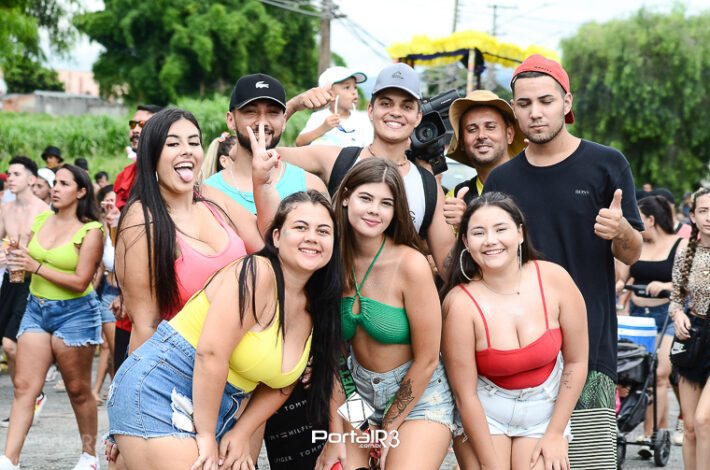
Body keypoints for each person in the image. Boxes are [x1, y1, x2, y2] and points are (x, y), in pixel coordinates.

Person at [483, 54, 643, 469]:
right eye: (524, 103)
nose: (535, 112)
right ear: (514, 110)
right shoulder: (501, 180)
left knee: (589, 462)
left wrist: (621, 231)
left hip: (589, 347)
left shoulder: (607, 164)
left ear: (566, 102)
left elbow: (632, 252)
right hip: (519, 352)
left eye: (546, 101)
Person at [107, 190, 343, 470]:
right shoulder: (257, 273)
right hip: (163, 384)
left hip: (223, 405)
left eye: (323, 231)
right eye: (301, 227)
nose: (312, 237)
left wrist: (242, 431)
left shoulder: (318, 304)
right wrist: (207, 434)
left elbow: (282, 384)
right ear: (277, 237)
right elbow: (211, 354)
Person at [317, 158, 454, 470]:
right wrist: (335, 434)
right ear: (346, 197)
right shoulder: (330, 261)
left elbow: (428, 360)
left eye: (386, 203)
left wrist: (389, 428)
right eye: (366, 198)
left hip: (417, 398)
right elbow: (335, 357)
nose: (374, 210)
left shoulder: (411, 264)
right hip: (358, 394)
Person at [441, 192, 588, 470]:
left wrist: (556, 433)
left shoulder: (555, 279)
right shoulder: (459, 303)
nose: (490, 240)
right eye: (478, 233)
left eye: (500, 229)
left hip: (544, 411)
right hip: (485, 411)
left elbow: (577, 361)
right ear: (466, 242)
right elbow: (465, 395)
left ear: (520, 233)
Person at [280, 63, 455, 274]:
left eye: (406, 107)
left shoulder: (427, 185)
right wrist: (294, 105)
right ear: (371, 110)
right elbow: (261, 154)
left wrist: (467, 225)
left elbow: (448, 267)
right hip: (332, 290)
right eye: (386, 103)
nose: (395, 112)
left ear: (418, 117)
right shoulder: (337, 159)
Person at [0, 164, 104, 470]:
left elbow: (81, 281)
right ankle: (9, 459)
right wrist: (14, 261)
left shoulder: (91, 231)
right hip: (37, 308)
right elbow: (28, 264)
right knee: (24, 386)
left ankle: (89, 455)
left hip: (76, 314)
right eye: (54, 182)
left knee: (78, 390)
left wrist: (35, 267)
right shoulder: (42, 219)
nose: (55, 188)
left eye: (64, 184)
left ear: (81, 192)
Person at [616, 195, 687, 456]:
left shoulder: (680, 245)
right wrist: (618, 286)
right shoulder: (636, 244)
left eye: (637, 218)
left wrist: (666, 285)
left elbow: (689, 283)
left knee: (659, 374)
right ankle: (650, 431)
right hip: (638, 317)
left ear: (650, 220)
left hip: (668, 314)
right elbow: (622, 276)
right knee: (639, 376)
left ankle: (652, 434)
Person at [205, 73, 326, 215]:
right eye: (250, 112)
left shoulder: (310, 186)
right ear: (231, 120)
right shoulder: (208, 193)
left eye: (272, 113)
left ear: (284, 121)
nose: (262, 123)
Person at [111, 103, 163, 378]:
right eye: (133, 124)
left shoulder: (170, 175)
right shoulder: (124, 176)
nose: (135, 130)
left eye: (143, 125)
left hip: (162, 300)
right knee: (124, 377)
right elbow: (120, 239)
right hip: (127, 299)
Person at [0, 156, 50, 429]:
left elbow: (48, 248)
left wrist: (24, 255)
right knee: (6, 344)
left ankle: (33, 393)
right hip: (10, 280)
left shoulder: (43, 210)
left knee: (11, 343)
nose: (11, 178)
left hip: (33, 282)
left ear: (31, 179)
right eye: (9, 174)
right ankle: (26, 396)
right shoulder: (5, 209)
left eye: (16, 174)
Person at [668, 187, 710, 470]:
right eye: (703, 211)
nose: (709, 217)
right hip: (692, 336)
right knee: (691, 428)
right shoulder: (685, 253)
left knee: (704, 420)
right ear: (692, 216)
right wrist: (677, 315)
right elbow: (675, 298)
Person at [442, 90, 525, 229]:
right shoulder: (456, 197)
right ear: (461, 142)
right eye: (472, 129)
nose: (481, 135)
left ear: (509, 134)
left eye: (490, 127)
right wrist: (462, 228)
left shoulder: (534, 183)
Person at [296, 66, 372, 147]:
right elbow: (299, 142)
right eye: (347, 87)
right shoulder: (319, 117)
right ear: (331, 95)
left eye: (355, 87)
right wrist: (323, 128)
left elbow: (371, 147)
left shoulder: (362, 119)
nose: (354, 92)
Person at [92, 185, 119, 404]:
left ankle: (114, 387)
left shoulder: (129, 226)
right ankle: (100, 389)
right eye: (108, 200)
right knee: (109, 346)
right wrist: (89, 294)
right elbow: (100, 266)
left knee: (118, 347)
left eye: (115, 200)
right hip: (109, 293)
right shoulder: (101, 230)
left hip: (130, 294)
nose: (111, 204)